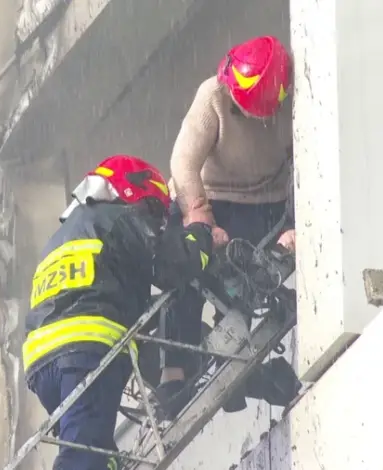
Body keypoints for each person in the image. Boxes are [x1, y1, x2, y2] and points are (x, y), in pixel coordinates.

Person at [22, 155, 214, 470]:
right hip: (85, 353)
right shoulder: (120, 219)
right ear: (135, 195)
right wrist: (199, 230)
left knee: (98, 452)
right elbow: (173, 267)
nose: (157, 224)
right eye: (154, 211)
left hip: (43, 368)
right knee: (84, 457)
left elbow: (98, 296)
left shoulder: (62, 237)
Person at [156, 35, 298, 418]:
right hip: (206, 197)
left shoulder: (293, 103)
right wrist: (200, 218)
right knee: (184, 272)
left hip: (263, 205)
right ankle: (174, 374)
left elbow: (305, 165)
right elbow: (183, 162)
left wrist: (296, 225)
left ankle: (233, 363)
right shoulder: (213, 95)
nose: (237, 107)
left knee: (245, 284)